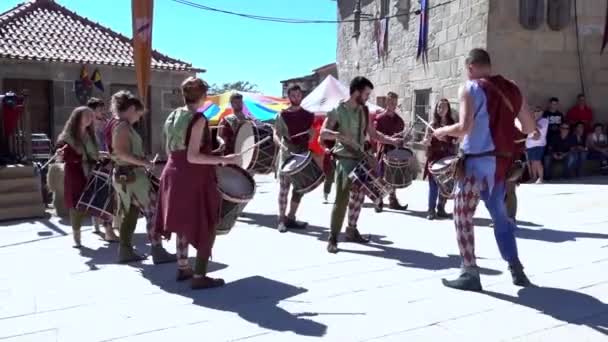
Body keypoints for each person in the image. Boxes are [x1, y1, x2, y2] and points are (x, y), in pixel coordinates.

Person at [432, 48, 535, 291]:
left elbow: (465, 127)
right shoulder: (512, 88)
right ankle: (516, 269)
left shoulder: (470, 87)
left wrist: (443, 131)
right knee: (501, 218)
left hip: (475, 166)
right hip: (500, 168)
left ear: (470, 67)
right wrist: (509, 130)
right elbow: (529, 126)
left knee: (461, 215)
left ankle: (469, 272)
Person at [154, 77, 240, 289]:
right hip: (192, 176)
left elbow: (171, 149)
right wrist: (223, 159)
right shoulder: (198, 118)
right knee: (206, 222)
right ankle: (200, 276)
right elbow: (193, 156)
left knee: (183, 224)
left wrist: (211, 153)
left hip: (172, 172)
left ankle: (183, 267)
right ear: (202, 96)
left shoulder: (173, 115)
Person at [320, 76, 402, 254]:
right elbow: (322, 135)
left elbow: (373, 134)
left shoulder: (364, 111)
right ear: (356, 92)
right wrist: (338, 136)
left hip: (360, 158)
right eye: (366, 94)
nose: (367, 97)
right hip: (344, 159)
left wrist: (392, 140)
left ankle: (351, 230)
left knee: (359, 196)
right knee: (341, 200)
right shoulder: (337, 110)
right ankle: (333, 238)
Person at [108, 90, 175, 264]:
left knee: (129, 214)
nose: (139, 118)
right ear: (131, 109)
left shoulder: (116, 125)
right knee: (153, 212)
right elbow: (121, 153)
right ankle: (157, 250)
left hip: (124, 176)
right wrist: (143, 162)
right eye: (138, 114)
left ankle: (125, 251)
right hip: (133, 177)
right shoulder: (122, 126)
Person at [56, 106, 109, 247]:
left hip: (91, 170)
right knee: (76, 203)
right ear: (77, 118)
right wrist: (62, 154)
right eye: (86, 116)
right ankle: (76, 235)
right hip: (75, 172)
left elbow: (93, 152)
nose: (90, 119)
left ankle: (97, 224)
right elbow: (62, 155)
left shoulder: (90, 134)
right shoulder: (67, 137)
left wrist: (101, 155)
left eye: (91, 116)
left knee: (95, 197)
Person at [273, 85, 316, 233]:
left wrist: (312, 134)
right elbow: (276, 134)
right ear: (289, 96)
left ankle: (291, 217)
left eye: (298, 95)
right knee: (284, 189)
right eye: (293, 95)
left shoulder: (308, 115)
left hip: (302, 153)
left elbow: (313, 134)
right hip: (287, 154)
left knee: (299, 189)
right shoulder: (282, 115)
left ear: (301, 96)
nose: (296, 98)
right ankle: (281, 219)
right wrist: (280, 145)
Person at [87, 97, 119, 241]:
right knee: (96, 190)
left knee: (107, 191)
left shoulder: (106, 123)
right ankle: (96, 223)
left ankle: (108, 223)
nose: (102, 111)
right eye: (99, 109)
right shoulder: (88, 125)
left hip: (107, 159)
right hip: (94, 160)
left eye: (102, 108)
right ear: (92, 111)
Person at [373, 91, 408, 212]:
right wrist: (390, 139)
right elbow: (376, 135)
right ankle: (379, 200)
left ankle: (393, 201)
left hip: (395, 151)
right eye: (390, 101)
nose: (393, 104)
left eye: (395, 102)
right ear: (386, 102)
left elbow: (402, 136)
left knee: (393, 177)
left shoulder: (399, 120)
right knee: (381, 177)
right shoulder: (379, 118)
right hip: (383, 150)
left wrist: (403, 137)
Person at [422, 99, 457, 220]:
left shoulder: (452, 124)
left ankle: (441, 208)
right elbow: (425, 141)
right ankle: (431, 210)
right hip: (434, 156)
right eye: (438, 107)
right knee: (433, 185)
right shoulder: (432, 124)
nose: (440, 110)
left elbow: (457, 139)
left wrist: (448, 139)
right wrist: (427, 140)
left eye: (443, 107)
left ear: (448, 109)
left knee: (446, 184)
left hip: (448, 156)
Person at [525, 106, 548, 183]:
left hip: (539, 145)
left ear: (542, 112)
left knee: (537, 161)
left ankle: (541, 179)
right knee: (532, 162)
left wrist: (532, 119)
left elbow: (539, 126)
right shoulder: (531, 120)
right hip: (529, 145)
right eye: (535, 111)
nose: (537, 113)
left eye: (538, 111)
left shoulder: (544, 120)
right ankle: (534, 177)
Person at [320, 137, 336, 203]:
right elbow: (320, 140)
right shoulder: (326, 128)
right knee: (329, 176)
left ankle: (342, 197)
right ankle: (325, 196)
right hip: (328, 153)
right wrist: (325, 148)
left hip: (340, 151)